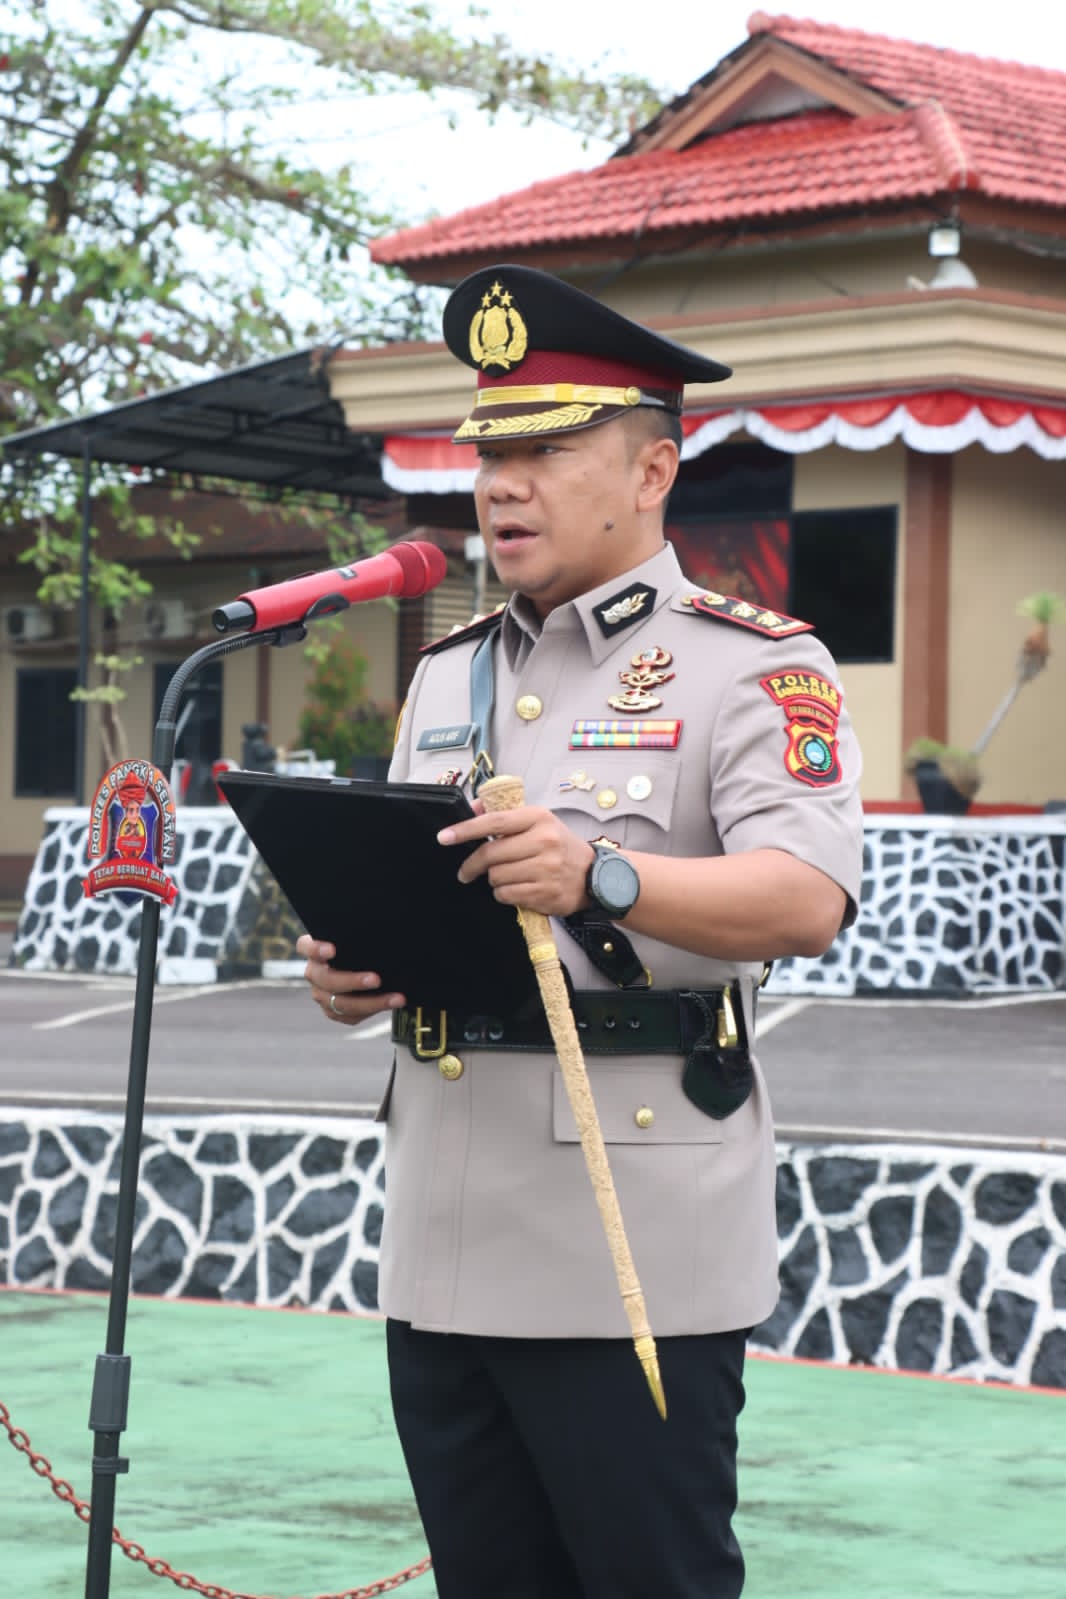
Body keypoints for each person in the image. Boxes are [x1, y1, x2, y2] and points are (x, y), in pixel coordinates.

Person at [298, 263, 864, 1598]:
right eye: (491, 452)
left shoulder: (752, 662)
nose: (502, 484)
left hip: (633, 1240)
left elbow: (806, 896)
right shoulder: (446, 674)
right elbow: (437, 901)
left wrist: (601, 873)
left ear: (653, 471)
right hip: (445, 1232)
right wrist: (357, 969)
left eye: (545, 452)